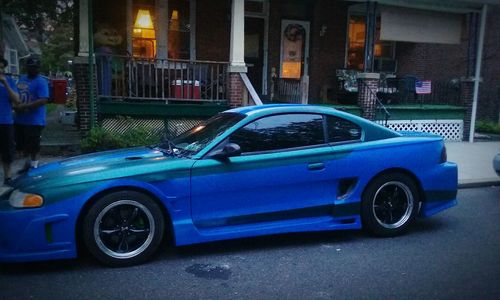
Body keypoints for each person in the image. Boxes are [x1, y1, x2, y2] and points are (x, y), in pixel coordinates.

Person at [14, 57, 49, 173]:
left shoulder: (41, 81)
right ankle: (27, 164)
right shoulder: (21, 79)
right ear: (27, 67)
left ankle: (35, 166)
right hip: (20, 118)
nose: (33, 69)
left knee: (34, 144)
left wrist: (25, 106)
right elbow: (16, 94)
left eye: (35, 67)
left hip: (35, 119)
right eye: (31, 67)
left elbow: (43, 100)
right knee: (22, 145)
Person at [0, 58, 20, 185]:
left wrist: (5, 84)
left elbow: (17, 100)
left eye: (2, 67)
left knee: (7, 151)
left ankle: (7, 177)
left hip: (6, 121)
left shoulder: (9, 82)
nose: (0, 70)